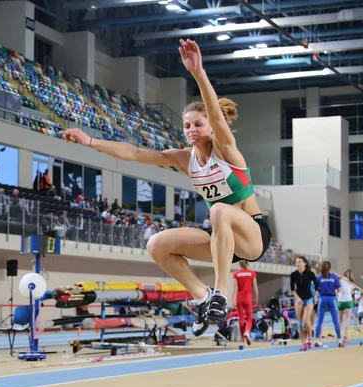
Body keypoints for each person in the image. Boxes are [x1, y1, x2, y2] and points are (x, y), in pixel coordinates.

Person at [59, 39, 271, 336]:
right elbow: (135, 153)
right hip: (220, 239)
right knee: (156, 244)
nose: (191, 130)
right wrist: (91, 141)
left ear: (211, 126)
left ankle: (221, 292)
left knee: (220, 209)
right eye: (186, 126)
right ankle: (203, 297)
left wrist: (198, 74)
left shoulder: (226, 151)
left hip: (251, 235)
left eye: (198, 124)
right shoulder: (184, 159)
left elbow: (215, 117)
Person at [290, 256, 319, 351]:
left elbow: (317, 286)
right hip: (299, 300)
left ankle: (310, 337)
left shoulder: (310, 274)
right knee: (300, 323)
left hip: (309, 299)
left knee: (305, 321)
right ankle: (303, 343)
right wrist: (298, 298)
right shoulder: (293, 275)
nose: (297, 263)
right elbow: (292, 289)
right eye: (296, 262)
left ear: (304, 263)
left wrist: (315, 297)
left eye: (299, 261)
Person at [314, 261, 344, 348]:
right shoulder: (334, 277)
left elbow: (316, 289)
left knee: (319, 321)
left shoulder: (318, 277)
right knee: (335, 321)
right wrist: (339, 280)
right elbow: (339, 290)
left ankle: (317, 340)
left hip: (322, 299)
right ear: (330, 268)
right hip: (332, 299)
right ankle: (339, 340)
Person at [231, 260, 258, 346]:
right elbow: (255, 287)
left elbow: (235, 288)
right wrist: (256, 298)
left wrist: (233, 299)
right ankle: (247, 332)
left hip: (239, 298)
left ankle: (244, 339)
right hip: (248, 297)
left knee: (241, 319)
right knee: (249, 318)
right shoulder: (251, 273)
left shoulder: (236, 274)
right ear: (247, 263)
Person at [337, 269, 355, 344]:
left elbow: (337, 290)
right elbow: (351, 293)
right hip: (348, 301)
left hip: (340, 301)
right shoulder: (352, 283)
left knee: (339, 320)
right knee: (347, 319)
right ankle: (345, 337)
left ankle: (338, 337)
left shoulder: (340, 280)